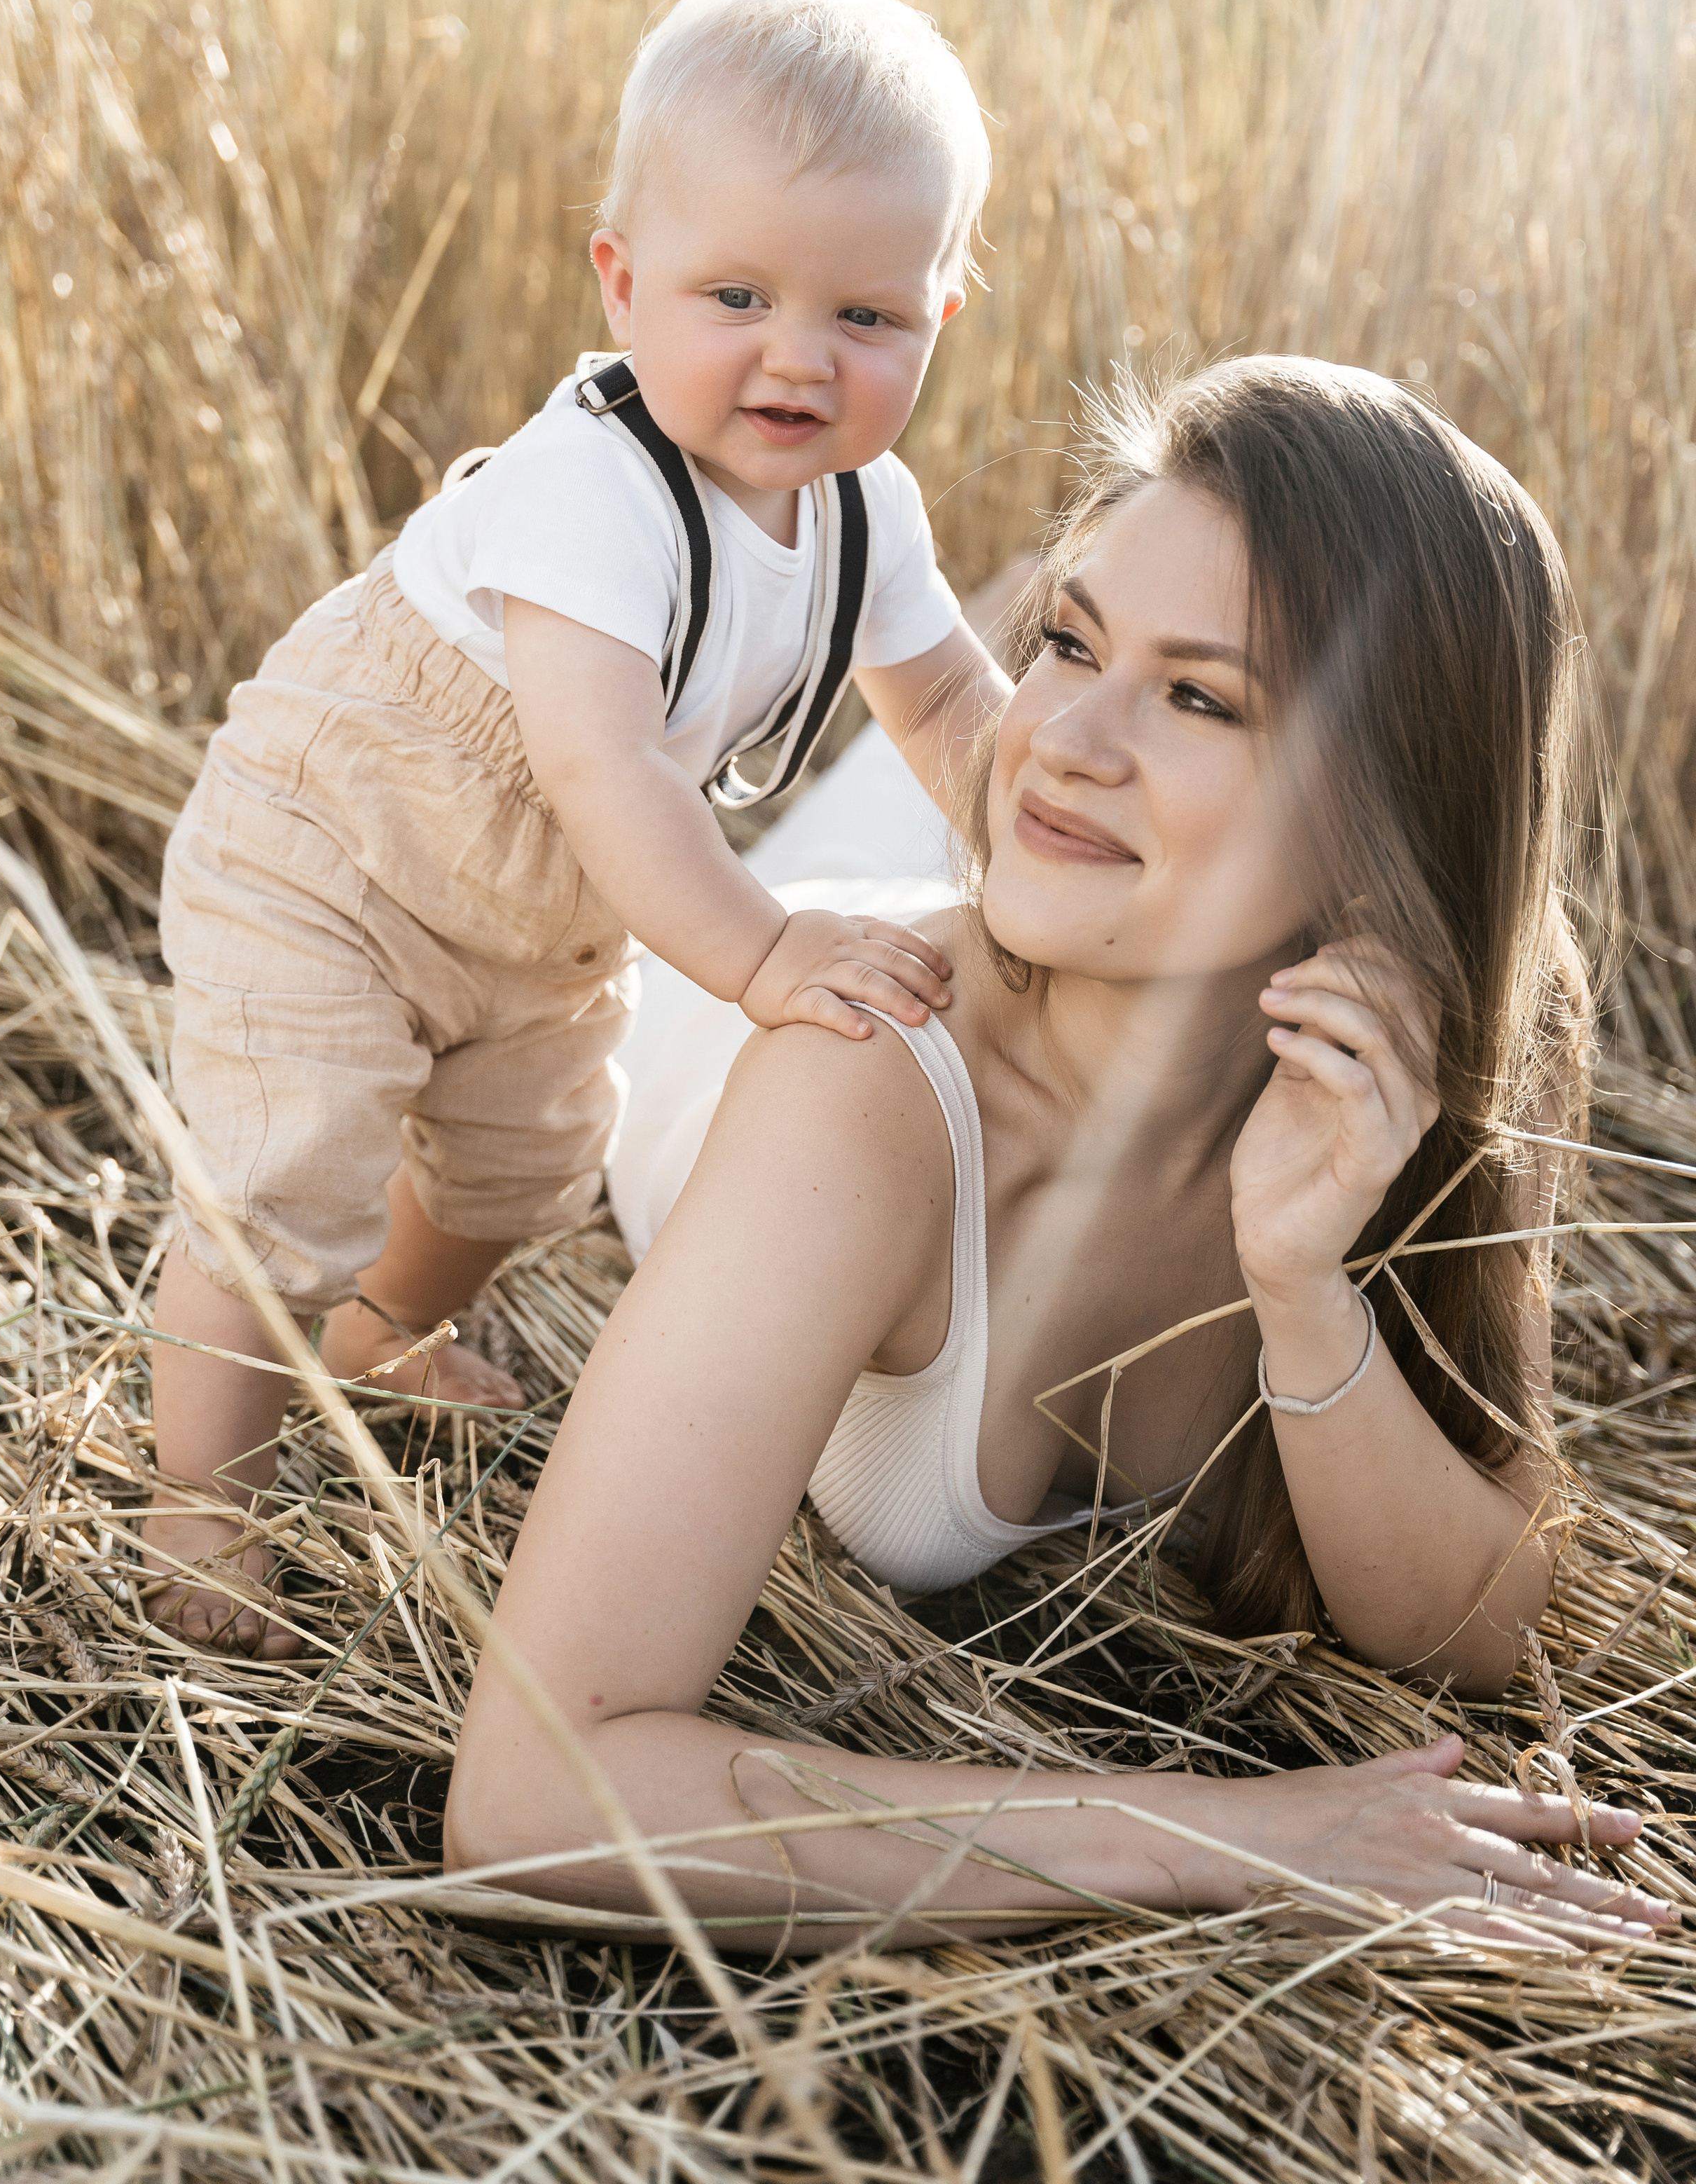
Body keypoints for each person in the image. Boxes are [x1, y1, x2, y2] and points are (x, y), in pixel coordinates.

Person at [443, 357, 1674, 1949]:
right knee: (876, 813)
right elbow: (533, 1796)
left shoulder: (1439, 1055)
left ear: (1384, 822)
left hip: (1089, 903)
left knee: (976, 790)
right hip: (859, 961)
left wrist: (1303, 1288)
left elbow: (1487, 1623)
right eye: (1068, 644)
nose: (1069, 733)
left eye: (1199, 694)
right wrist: (1226, 1836)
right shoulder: (861, 1098)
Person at [147, 0, 1013, 1651]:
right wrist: (759, 955)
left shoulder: (868, 518)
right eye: (736, 295)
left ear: (938, 320)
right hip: (337, 852)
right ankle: (202, 1500)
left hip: (539, 911)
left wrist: (1040, 846)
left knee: (530, 1159)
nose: (796, 357)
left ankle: (384, 1329)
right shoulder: (586, 491)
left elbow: (955, 710)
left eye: (864, 318)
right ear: (622, 284)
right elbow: (603, 769)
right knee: (292, 1171)